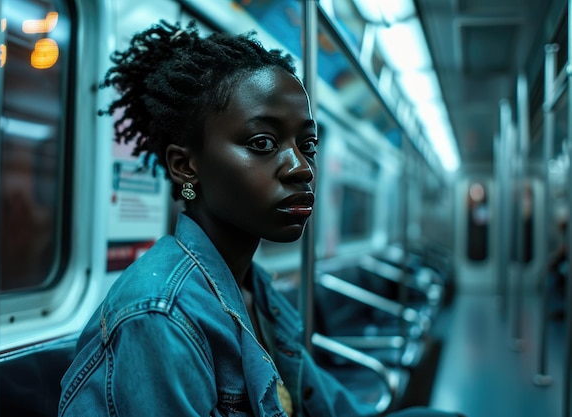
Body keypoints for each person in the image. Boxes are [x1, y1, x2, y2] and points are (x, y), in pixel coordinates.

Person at [58, 21, 464, 417]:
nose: (302, 168)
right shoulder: (159, 317)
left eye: (308, 144)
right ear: (185, 166)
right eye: (263, 143)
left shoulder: (255, 289)